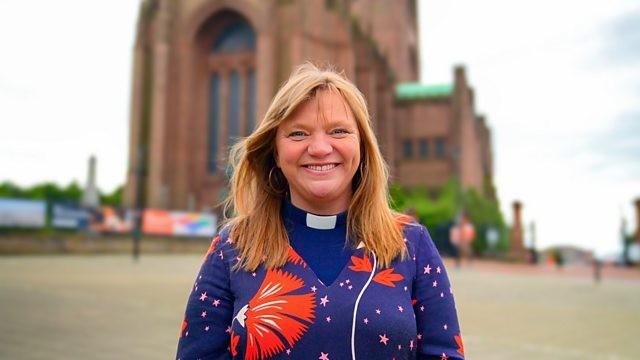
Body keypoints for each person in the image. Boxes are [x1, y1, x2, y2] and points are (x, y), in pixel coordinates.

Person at [176, 63, 465, 360]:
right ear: (275, 152)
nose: (319, 148)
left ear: (362, 146)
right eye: (298, 134)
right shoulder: (232, 248)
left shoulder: (411, 244)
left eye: (338, 131)